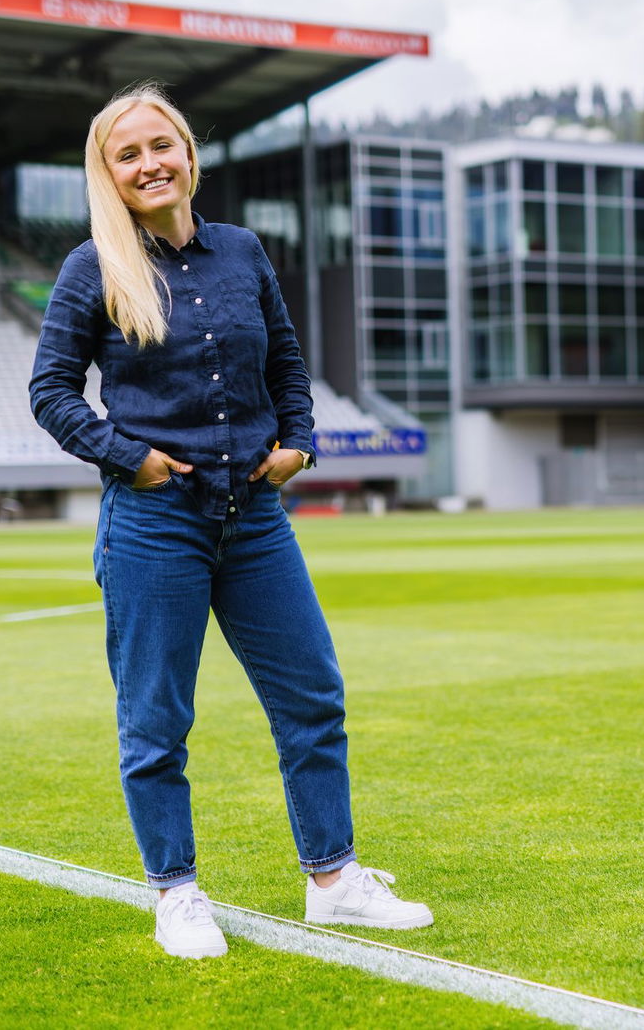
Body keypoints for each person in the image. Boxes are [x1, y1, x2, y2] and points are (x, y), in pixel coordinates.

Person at [29, 83, 432, 960]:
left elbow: (287, 362)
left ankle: (333, 881)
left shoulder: (243, 251)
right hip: (152, 521)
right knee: (157, 721)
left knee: (312, 697)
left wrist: (302, 443)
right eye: (127, 154)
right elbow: (50, 393)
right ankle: (176, 893)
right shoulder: (91, 268)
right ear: (108, 172)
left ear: (187, 151)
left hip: (255, 520)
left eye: (160, 144)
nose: (150, 164)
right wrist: (124, 455)